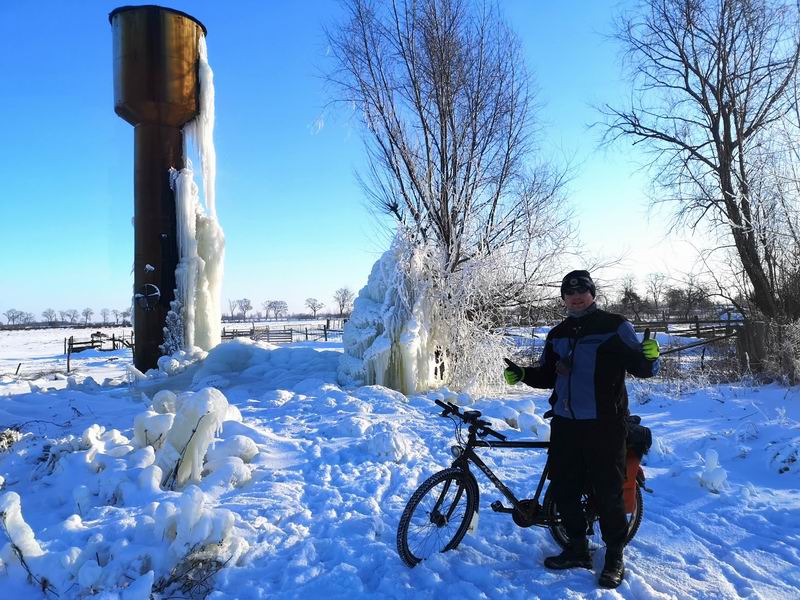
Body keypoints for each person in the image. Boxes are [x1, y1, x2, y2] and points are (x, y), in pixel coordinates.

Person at [503, 270, 660, 589]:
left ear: (592, 293)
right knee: (564, 489)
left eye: (582, 291)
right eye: (569, 293)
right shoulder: (557, 333)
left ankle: (614, 555)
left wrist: (650, 358)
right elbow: (548, 375)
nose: (576, 297)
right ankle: (577, 548)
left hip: (605, 426)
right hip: (566, 425)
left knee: (608, 491)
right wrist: (522, 374)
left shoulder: (614, 326)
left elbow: (641, 368)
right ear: (563, 298)